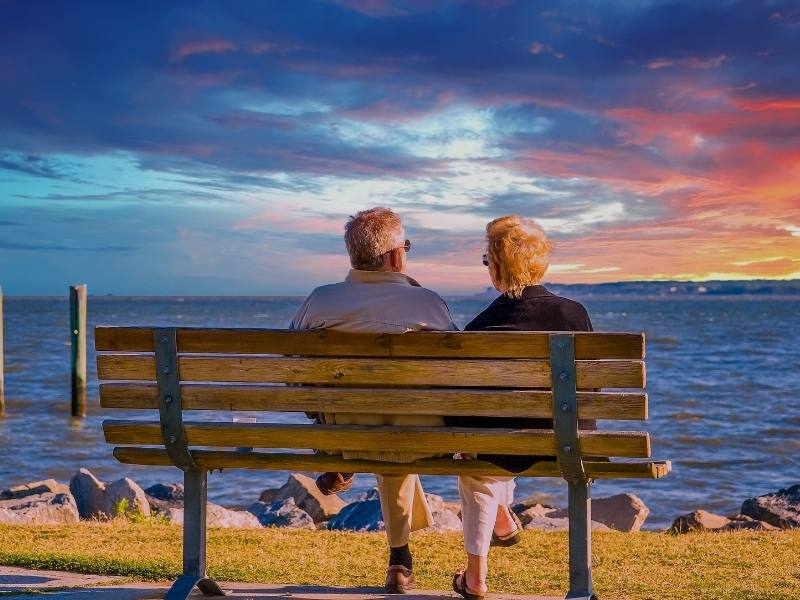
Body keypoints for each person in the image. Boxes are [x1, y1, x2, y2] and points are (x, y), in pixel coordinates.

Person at [290, 207, 458, 593]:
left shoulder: (320, 301)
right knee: (396, 430)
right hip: (420, 432)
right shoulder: (427, 303)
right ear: (395, 256)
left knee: (379, 430)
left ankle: (344, 463)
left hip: (345, 429)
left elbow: (293, 367)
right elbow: (455, 369)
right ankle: (399, 560)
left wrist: (318, 411)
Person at [447, 215, 594, 600]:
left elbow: (464, 401)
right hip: (571, 441)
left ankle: (476, 577)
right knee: (496, 444)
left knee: (479, 464)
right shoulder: (573, 313)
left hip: (501, 448)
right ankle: (508, 524)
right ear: (540, 263)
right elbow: (592, 386)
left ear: (496, 269)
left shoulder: (480, 326)